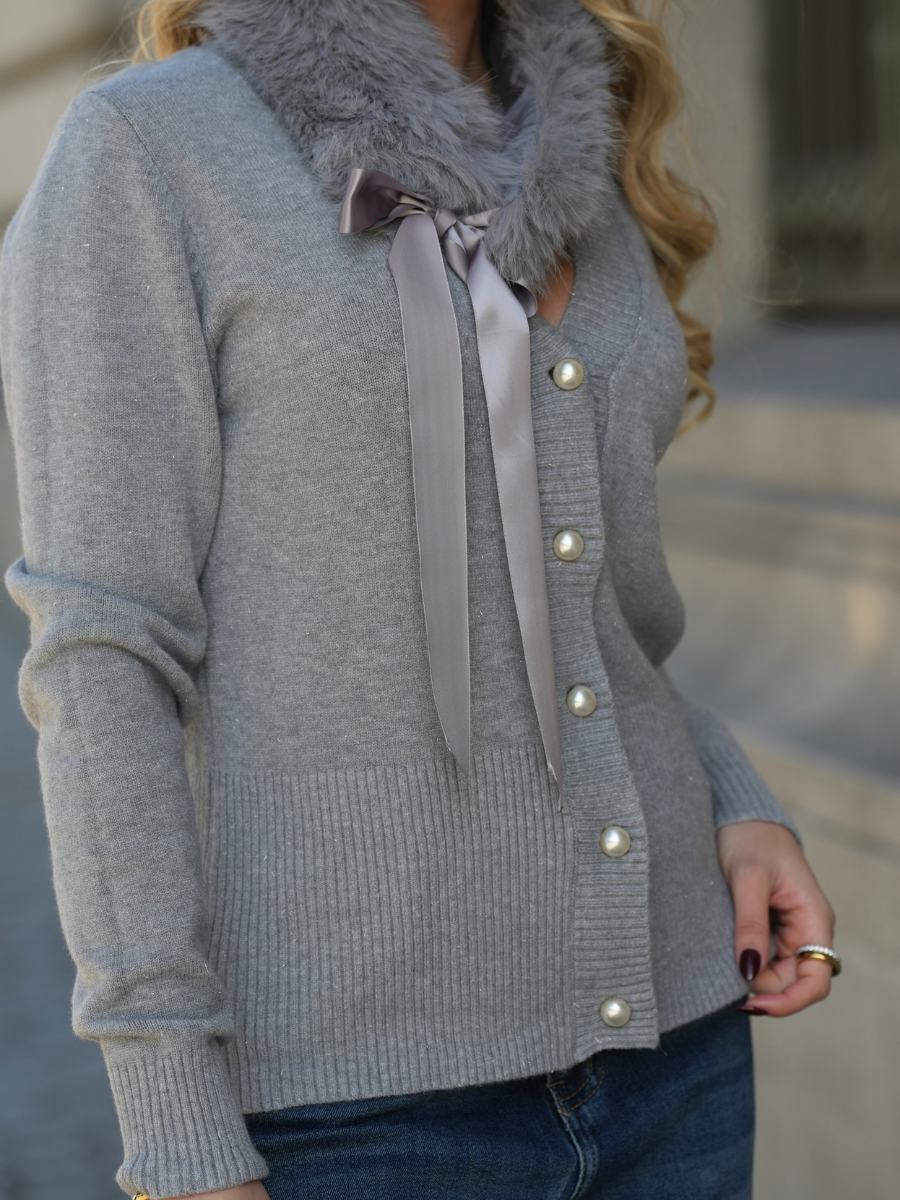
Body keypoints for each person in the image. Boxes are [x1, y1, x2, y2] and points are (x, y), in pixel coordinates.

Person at [0, 0, 839, 1197]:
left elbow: (605, 617)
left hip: (681, 1054)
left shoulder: (575, 141)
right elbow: (102, 653)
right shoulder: (148, 151)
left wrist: (735, 799)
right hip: (360, 1110)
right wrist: (175, 1121)